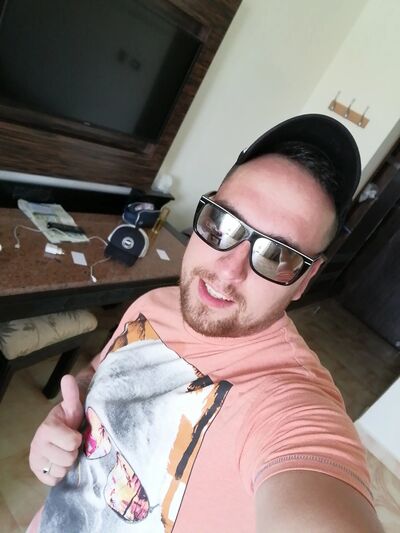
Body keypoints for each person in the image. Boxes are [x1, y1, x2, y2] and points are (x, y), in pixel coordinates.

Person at [28, 114, 383, 532]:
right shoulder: (154, 303)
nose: (228, 270)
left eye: (278, 256)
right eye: (224, 224)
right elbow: (97, 374)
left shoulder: (289, 406)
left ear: (305, 280)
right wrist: (63, 424)